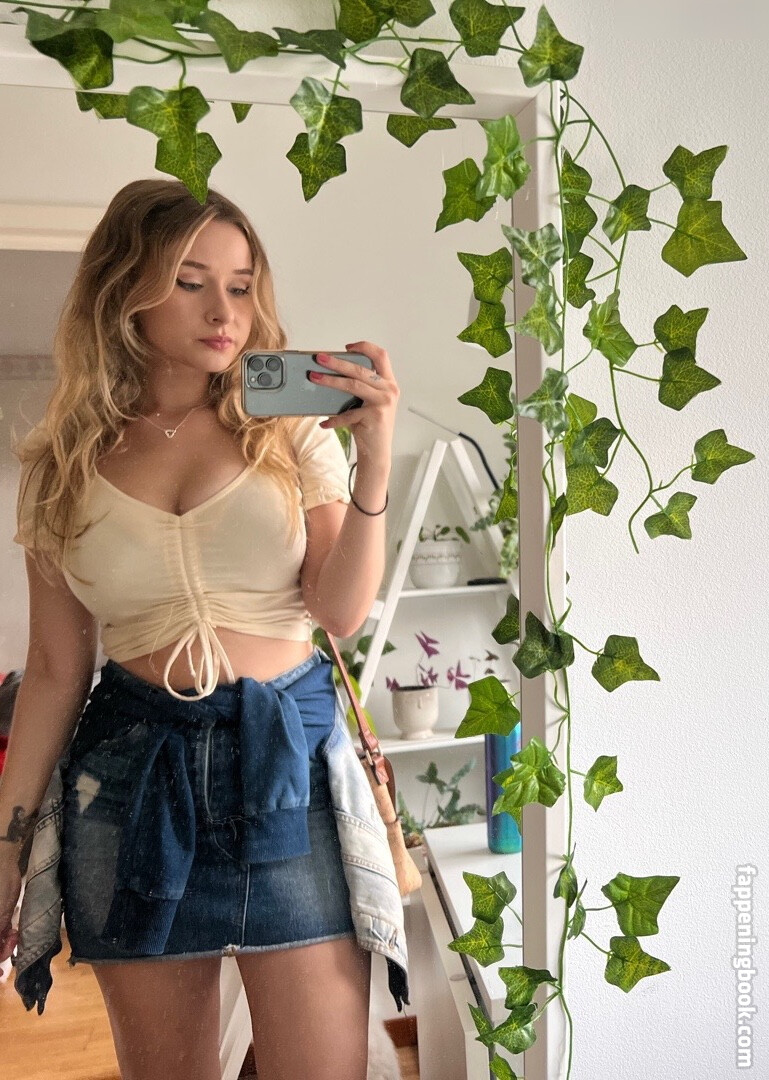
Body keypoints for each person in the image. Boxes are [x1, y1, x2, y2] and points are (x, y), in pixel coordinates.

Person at [0, 178, 404, 1080]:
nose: (225, 311)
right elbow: (56, 668)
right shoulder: (61, 467)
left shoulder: (290, 432)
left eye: (241, 284)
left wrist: (373, 459)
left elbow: (339, 611)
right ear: (125, 290)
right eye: (190, 282)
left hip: (286, 771)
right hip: (129, 778)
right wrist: (6, 848)